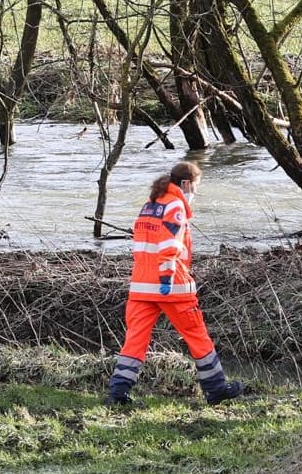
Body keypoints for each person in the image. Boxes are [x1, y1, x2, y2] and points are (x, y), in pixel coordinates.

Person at [105, 161, 245, 406]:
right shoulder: (176, 206)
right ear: (187, 184)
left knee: (135, 340)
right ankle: (216, 388)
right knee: (196, 334)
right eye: (196, 187)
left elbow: (141, 245)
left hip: (140, 285)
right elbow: (169, 246)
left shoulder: (149, 205)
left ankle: (117, 393)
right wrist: (167, 278)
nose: (195, 193)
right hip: (171, 285)